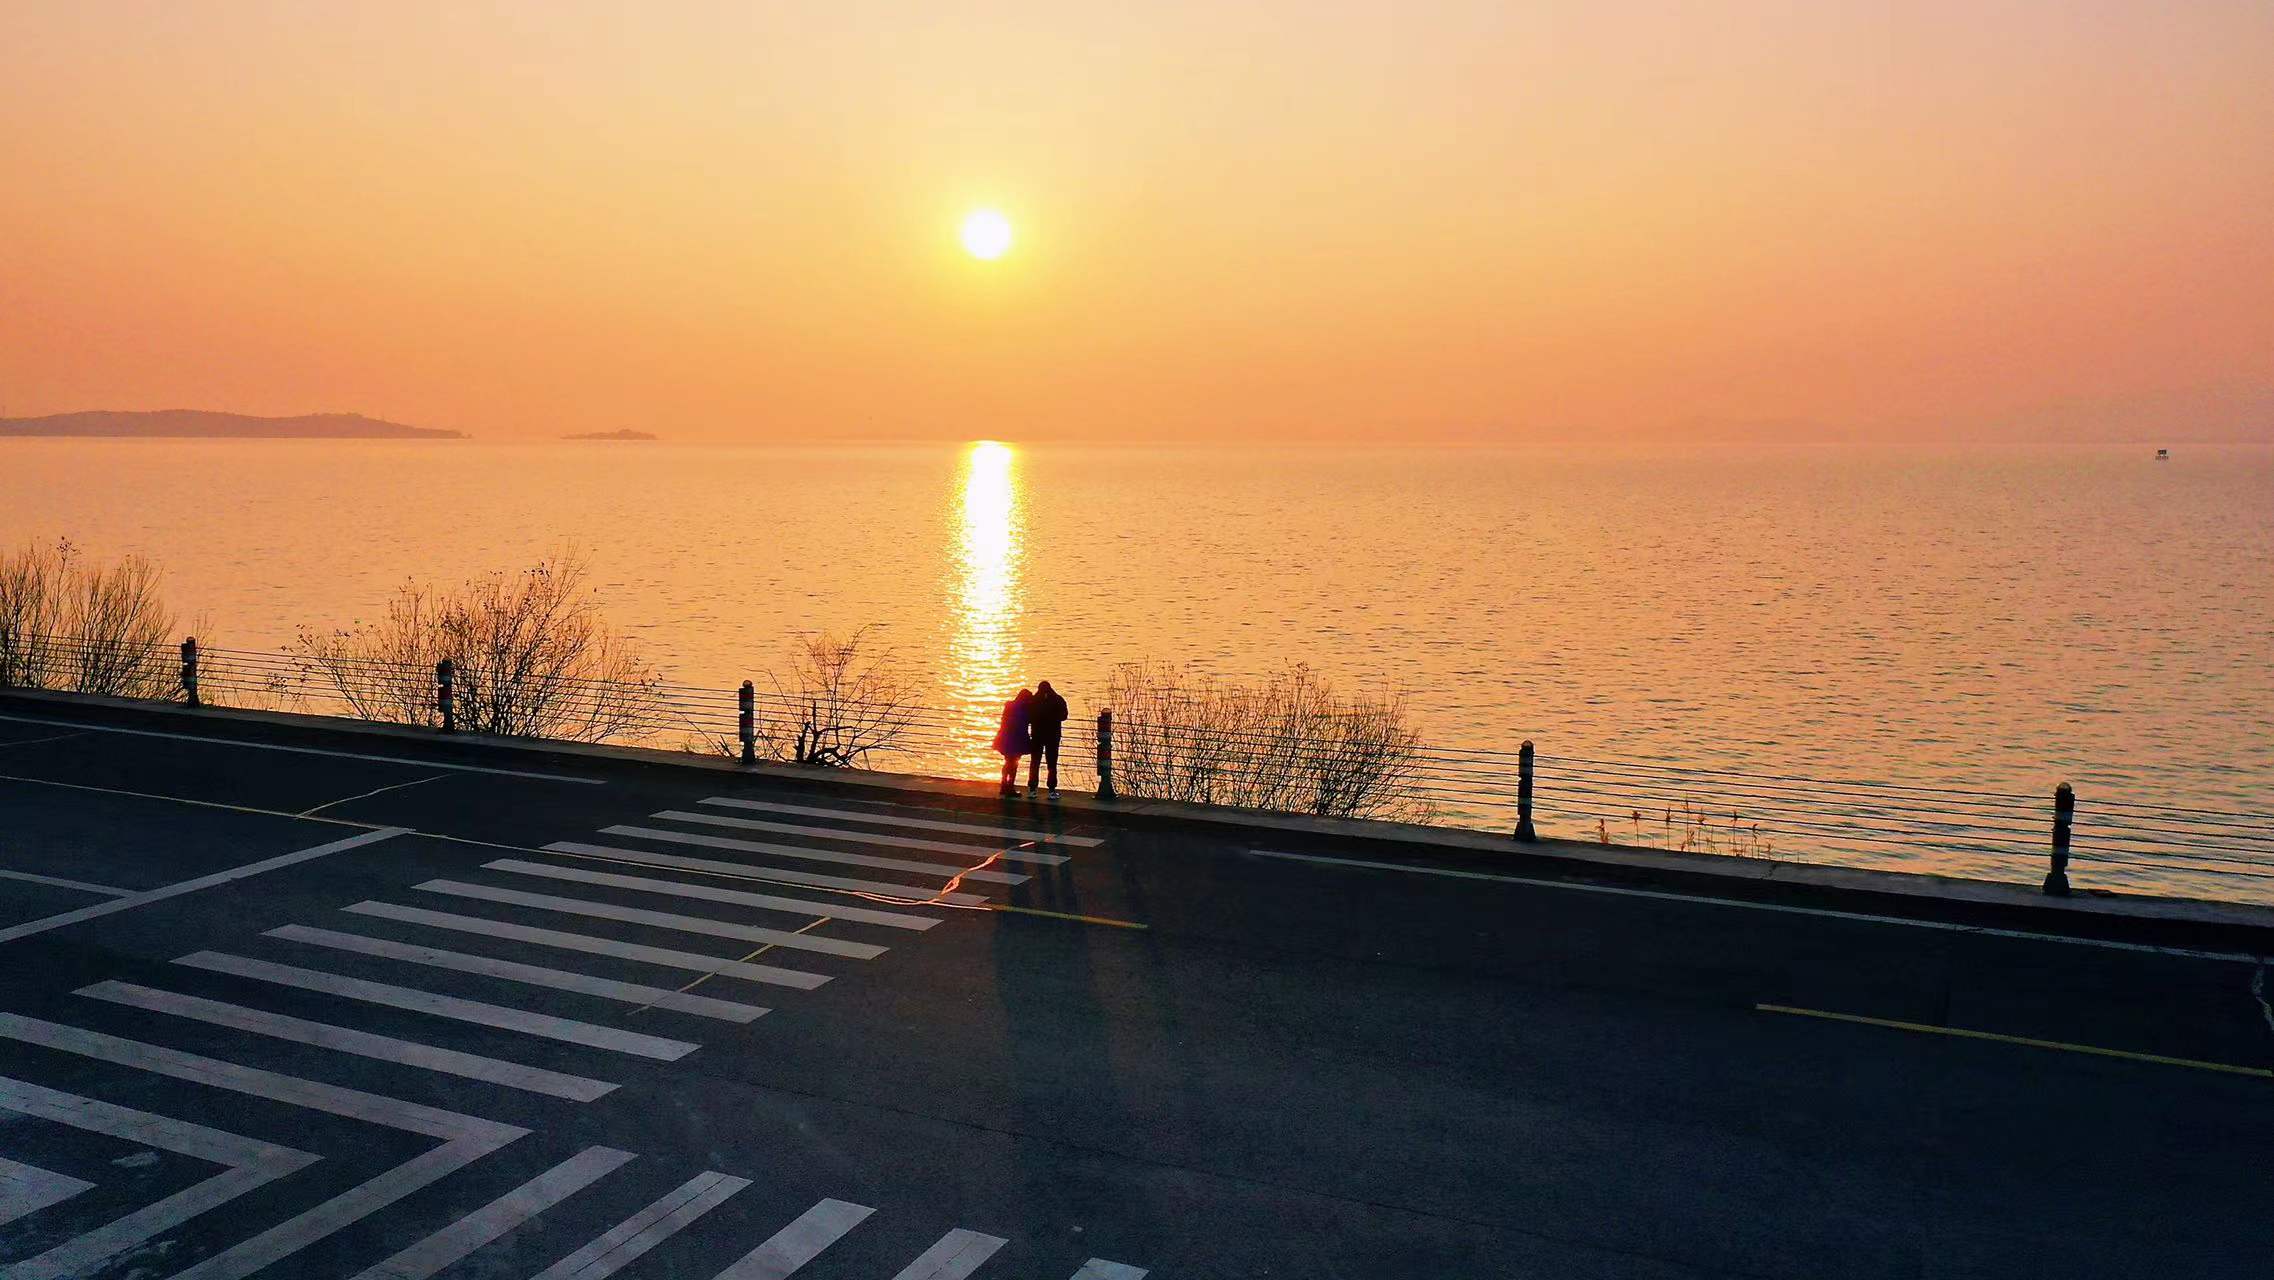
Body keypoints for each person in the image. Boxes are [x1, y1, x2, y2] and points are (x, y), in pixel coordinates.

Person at [1027, 680, 1069, 795]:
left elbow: (1029, 717)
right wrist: (1053, 718)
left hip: (1037, 736)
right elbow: (1064, 716)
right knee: (1052, 763)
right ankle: (1051, 790)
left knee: (1035, 762)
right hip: (1053, 736)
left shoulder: (1034, 700)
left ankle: (1032, 789)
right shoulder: (1058, 699)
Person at [993, 688, 1033, 796]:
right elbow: (1025, 722)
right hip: (1017, 740)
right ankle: (1010, 787)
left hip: (1005, 738)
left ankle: (1003, 784)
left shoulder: (1009, 706)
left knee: (1007, 762)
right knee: (1014, 764)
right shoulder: (1025, 708)